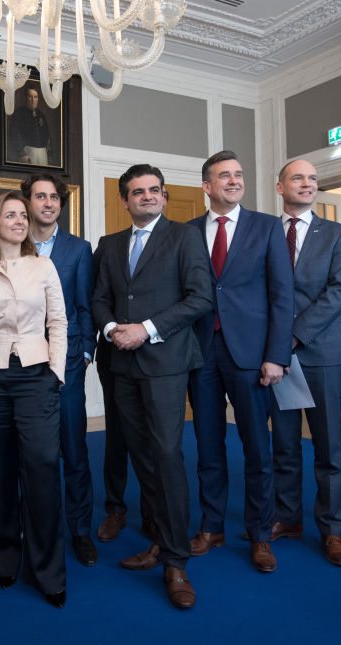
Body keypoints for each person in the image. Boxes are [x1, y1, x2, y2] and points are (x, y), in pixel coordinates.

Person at [92, 164, 212, 608]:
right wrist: (109, 330)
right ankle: (160, 540)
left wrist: (145, 328)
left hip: (165, 363)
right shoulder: (110, 245)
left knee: (166, 457)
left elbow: (200, 298)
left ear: (163, 197)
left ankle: (177, 562)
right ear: (125, 200)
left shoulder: (185, 238)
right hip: (121, 365)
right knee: (142, 459)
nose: (147, 196)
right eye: (138, 192)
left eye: (154, 191)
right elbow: (99, 296)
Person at [186, 150, 293, 573]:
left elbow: (282, 297)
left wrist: (276, 356)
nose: (233, 181)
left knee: (257, 449)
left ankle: (261, 533)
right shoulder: (188, 232)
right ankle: (212, 526)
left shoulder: (267, 227)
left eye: (238, 175)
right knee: (208, 446)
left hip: (252, 356)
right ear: (206, 186)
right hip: (201, 354)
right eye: (223, 176)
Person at [0, 191, 68, 608]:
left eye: (23, 215)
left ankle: (48, 570)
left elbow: (59, 321)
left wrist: (56, 373)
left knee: (43, 467)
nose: (19, 221)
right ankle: (3, 560)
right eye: (10, 214)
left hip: (36, 376)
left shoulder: (43, 265)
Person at [269, 159, 341, 567]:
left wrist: (294, 335)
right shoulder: (265, 232)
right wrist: (275, 346)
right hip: (277, 359)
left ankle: (332, 529)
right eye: (298, 178)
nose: (307, 184)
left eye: (313, 179)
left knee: (329, 448)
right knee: (284, 445)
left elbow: (339, 292)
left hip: (323, 354)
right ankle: (287, 518)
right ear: (279, 186)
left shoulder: (339, 235)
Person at [22, 173, 97, 567]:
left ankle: (80, 530)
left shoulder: (79, 249)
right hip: (23, 367)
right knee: (33, 453)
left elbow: (85, 305)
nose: (48, 203)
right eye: (40, 196)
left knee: (74, 450)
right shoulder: (12, 244)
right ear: (28, 202)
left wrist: (84, 355)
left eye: (54, 198)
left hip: (67, 366)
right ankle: (33, 528)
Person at [7, 86, 52, 165]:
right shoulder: (19, 113)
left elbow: (47, 136)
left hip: (42, 153)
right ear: (26, 98)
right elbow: (13, 135)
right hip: (27, 152)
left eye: (35, 97)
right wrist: (21, 153)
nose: (32, 100)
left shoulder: (41, 115)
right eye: (30, 97)